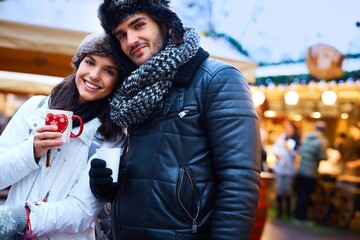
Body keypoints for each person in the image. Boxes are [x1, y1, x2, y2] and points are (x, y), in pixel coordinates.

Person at [89, 0, 261, 239]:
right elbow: (154, 171)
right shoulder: (135, 91)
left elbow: (238, 182)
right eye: (121, 35)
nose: (130, 40)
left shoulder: (218, 79)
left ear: (163, 22)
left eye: (138, 25)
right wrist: (110, 187)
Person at [0, 32, 126, 239]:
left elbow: (83, 211)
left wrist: (22, 217)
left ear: (118, 81)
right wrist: (31, 150)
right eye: (90, 62)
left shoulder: (112, 136)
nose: (94, 75)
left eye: (109, 71)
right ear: (78, 63)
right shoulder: (35, 108)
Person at [293, 121, 328, 225]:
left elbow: (301, 151)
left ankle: (297, 216)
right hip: (311, 171)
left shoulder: (307, 137)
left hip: (301, 169)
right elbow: (322, 157)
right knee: (306, 194)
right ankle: (301, 217)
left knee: (300, 194)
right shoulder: (322, 141)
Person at [272, 122, 301, 219]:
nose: (288, 130)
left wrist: (288, 148)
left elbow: (297, 155)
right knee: (279, 190)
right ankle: (279, 212)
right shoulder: (282, 137)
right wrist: (277, 154)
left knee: (288, 191)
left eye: (290, 128)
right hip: (280, 168)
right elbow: (275, 148)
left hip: (289, 170)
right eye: (287, 128)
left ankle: (288, 212)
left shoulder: (296, 141)